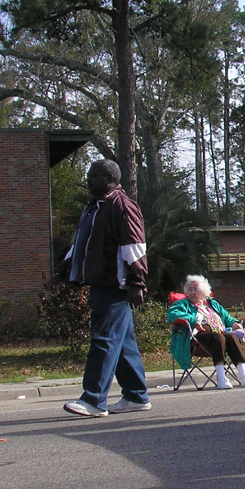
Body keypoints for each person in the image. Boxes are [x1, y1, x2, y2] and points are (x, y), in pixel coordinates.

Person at [53, 159, 151, 417]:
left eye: (93, 175)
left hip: (114, 286)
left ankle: (94, 400)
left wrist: (136, 282)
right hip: (101, 283)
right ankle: (136, 396)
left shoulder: (121, 206)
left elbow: (134, 246)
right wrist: (63, 270)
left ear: (109, 177)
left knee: (104, 340)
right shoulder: (95, 208)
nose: (88, 179)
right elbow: (82, 246)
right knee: (123, 343)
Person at [168, 274, 245, 389]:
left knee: (231, 337)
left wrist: (235, 324)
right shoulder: (182, 304)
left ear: (204, 291)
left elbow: (226, 317)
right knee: (219, 337)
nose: (192, 292)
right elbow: (172, 315)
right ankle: (221, 378)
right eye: (189, 289)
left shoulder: (211, 303)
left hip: (218, 335)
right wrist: (193, 320)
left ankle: (244, 376)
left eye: (196, 289)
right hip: (195, 338)